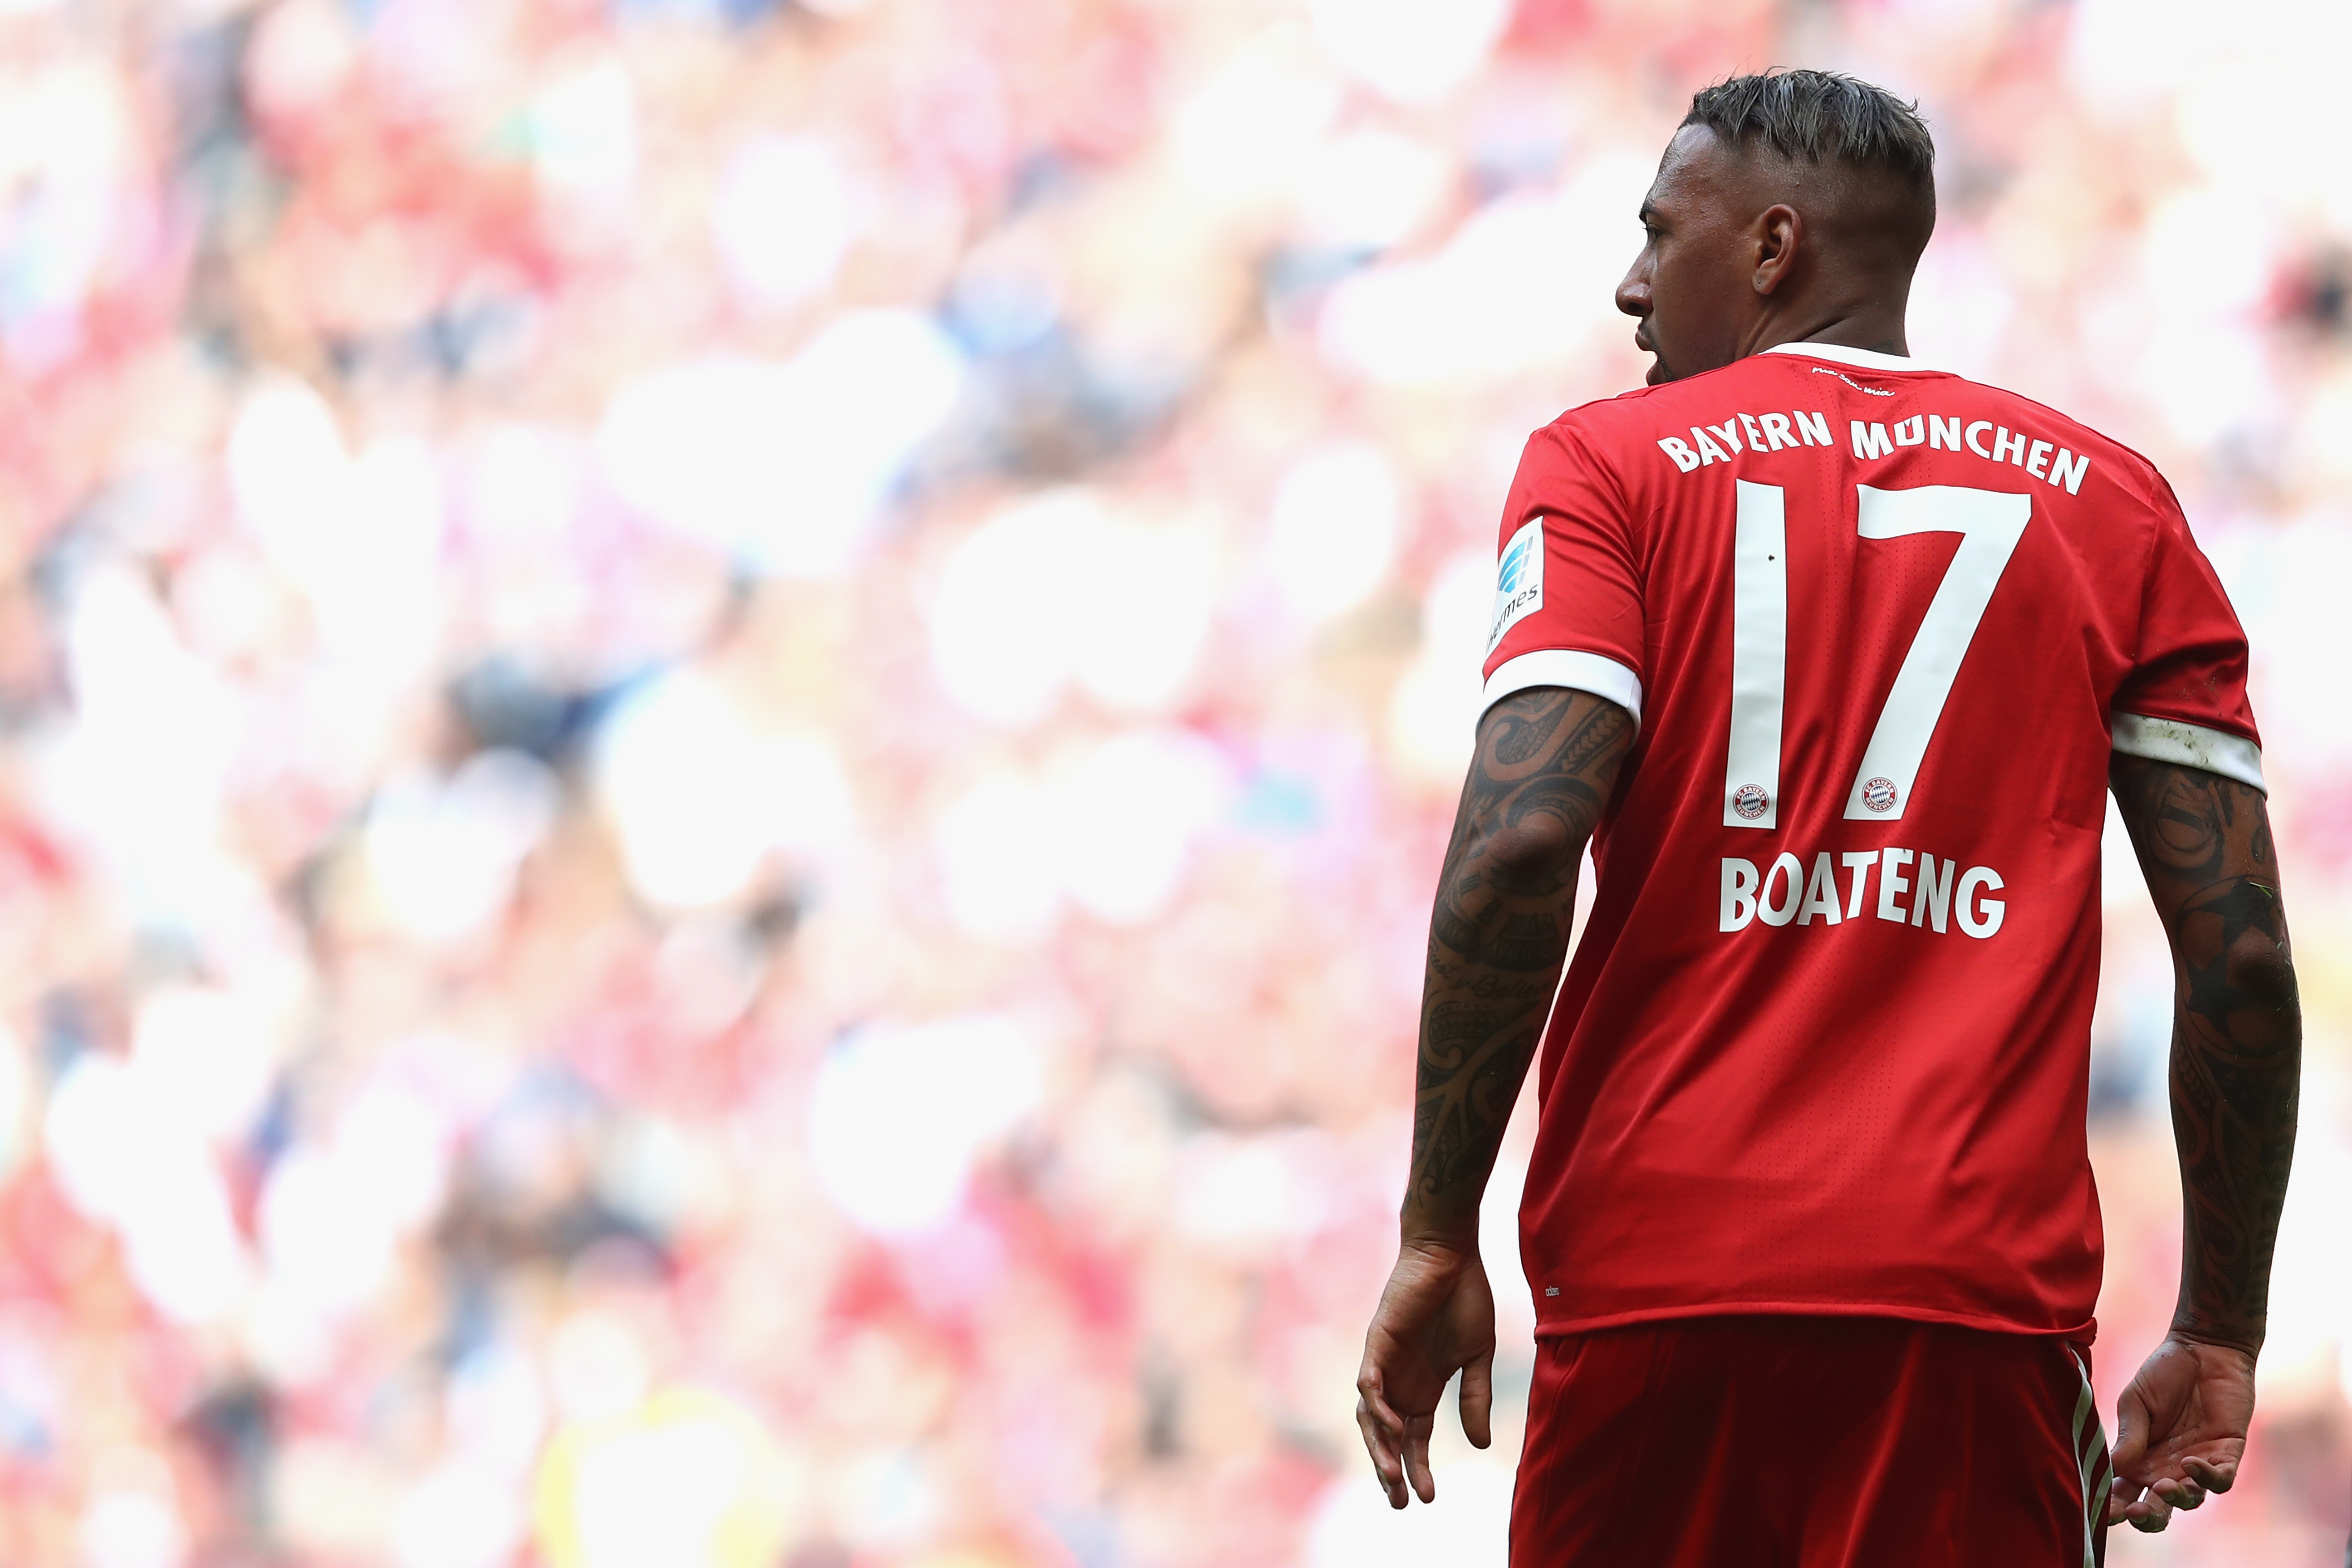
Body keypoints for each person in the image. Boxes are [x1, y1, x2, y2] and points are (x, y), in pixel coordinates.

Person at [1353, 70, 2300, 1566]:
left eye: (1662, 234)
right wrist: (2222, 1323)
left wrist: (1433, 1226)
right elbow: (2241, 958)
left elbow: (1525, 840)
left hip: (1654, 1289)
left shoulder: (1604, 468)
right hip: (1971, 1311)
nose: (1631, 283)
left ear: (1775, 248)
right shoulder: (2118, 509)